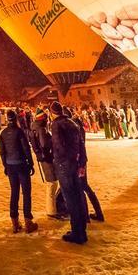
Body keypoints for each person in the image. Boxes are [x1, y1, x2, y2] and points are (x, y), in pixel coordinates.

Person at [50, 102, 88, 244]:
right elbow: (81, 143)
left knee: (70, 198)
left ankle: (77, 233)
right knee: (78, 195)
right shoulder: (72, 123)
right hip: (76, 163)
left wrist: (58, 162)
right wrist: (82, 162)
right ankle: (81, 230)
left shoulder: (56, 125)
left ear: (52, 112)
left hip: (65, 165)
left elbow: (58, 146)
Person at [0, 109, 37, 233]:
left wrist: (5, 165)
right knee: (26, 193)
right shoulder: (19, 132)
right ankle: (28, 221)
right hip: (21, 165)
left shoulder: (3, 133)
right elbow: (26, 148)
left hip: (10, 165)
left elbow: (2, 152)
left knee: (14, 192)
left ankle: (15, 222)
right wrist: (30, 163)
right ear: (15, 119)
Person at [70, 106, 104, 222]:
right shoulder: (78, 126)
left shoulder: (73, 128)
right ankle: (97, 212)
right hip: (82, 160)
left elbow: (76, 146)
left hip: (78, 161)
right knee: (84, 186)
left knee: (82, 187)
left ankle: (86, 216)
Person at [28, 109, 60, 219]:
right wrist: (51, 148)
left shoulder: (34, 128)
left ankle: (52, 208)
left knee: (51, 184)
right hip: (47, 159)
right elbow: (44, 144)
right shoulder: (41, 129)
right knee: (52, 184)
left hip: (42, 158)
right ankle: (51, 210)